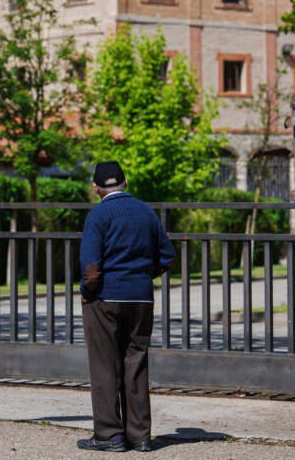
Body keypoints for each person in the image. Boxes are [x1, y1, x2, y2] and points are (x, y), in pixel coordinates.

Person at [76, 161, 175, 453]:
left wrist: (85, 294)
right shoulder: (147, 212)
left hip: (105, 299)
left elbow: (92, 270)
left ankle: (109, 435)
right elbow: (168, 257)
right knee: (136, 363)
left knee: (105, 366)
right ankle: (140, 436)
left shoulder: (98, 216)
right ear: (125, 182)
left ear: (96, 189)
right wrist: (144, 275)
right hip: (141, 298)